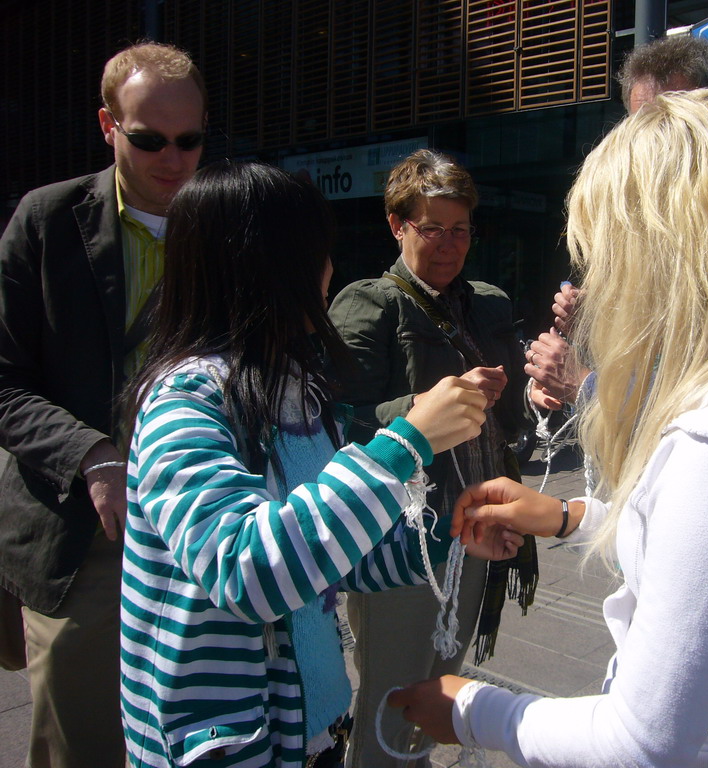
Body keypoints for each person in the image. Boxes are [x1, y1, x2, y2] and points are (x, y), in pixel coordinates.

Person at [390, 89, 708, 768]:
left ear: (668, 257)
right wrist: (570, 514)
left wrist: (470, 710)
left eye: (608, 251)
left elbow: (639, 743)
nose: (600, 279)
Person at [119, 160, 522, 768]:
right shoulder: (184, 401)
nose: (330, 272)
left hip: (312, 730)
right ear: (267, 268)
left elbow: (334, 558)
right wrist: (407, 440)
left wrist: (448, 542)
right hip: (224, 746)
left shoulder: (292, 388)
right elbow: (245, 571)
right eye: (318, 254)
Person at [0, 42, 206, 768]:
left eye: (190, 141)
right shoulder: (47, 220)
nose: (174, 160)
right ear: (107, 125)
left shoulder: (222, 227)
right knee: (79, 746)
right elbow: (4, 382)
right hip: (78, 539)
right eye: (150, 139)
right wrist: (90, 452)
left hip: (194, 537)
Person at [329, 149, 535, 767]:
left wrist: (539, 386)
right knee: (391, 704)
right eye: (432, 228)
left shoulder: (488, 303)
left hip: (475, 529)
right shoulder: (369, 303)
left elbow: (516, 414)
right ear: (397, 226)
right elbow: (342, 422)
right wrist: (425, 406)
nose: (449, 245)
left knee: (437, 698)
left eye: (461, 229)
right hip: (403, 539)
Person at [526, 34, 708, 411]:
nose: (645, 144)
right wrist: (594, 330)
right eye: (639, 124)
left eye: (671, 123)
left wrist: (585, 386)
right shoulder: (643, 227)